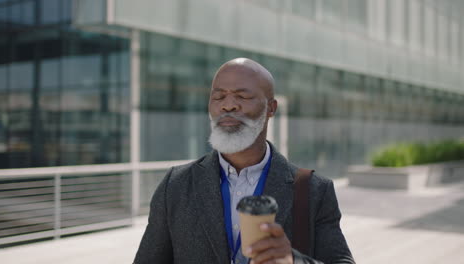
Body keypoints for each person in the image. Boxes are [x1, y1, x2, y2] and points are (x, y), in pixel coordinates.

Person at [133, 58, 354, 264]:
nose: (228, 105)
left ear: (271, 108)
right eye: (218, 97)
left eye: (243, 96)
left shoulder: (314, 190)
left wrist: (292, 261)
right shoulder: (176, 185)